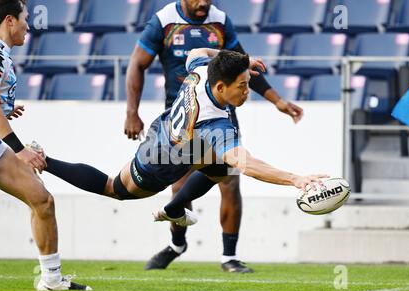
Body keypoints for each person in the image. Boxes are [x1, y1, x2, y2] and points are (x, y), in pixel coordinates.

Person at [34, 49, 326, 263]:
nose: (248, 92)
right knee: (115, 189)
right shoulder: (216, 123)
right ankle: (46, 161)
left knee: (223, 168)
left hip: (169, 132)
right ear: (221, 87)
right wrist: (296, 179)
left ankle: (174, 209)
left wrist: (244, 61)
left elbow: (198, 51)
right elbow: (247, 163)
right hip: (159, 162)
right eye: (243, 85)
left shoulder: (202, 69)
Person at [125, 0, 304, 273]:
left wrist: (277, 100)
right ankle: (177, 244)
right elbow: (137, 64)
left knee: (230, 179)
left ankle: (229, 257)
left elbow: (240, 67)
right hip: (181, 114)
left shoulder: (219, 21)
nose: (203, 3)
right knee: (179, 183)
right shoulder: (164, 21)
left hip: (219, 114)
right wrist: (131, 112)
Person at [0, 0, 90, 291]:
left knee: (43, 200)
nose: (28, 24)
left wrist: (3, 109)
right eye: (24, 18)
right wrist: (21, 150)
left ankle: (51, 280)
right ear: (10, 20)